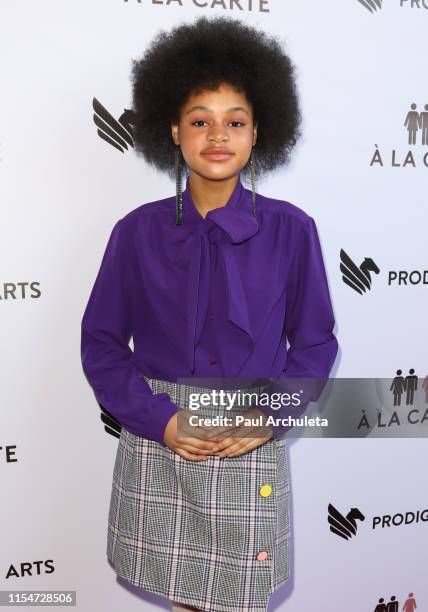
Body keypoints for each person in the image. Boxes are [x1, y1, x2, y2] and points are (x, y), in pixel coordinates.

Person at [80, 15, 338, 612]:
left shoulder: (294, 231)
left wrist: (265, 418)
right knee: (183, 604)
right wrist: (160, 419)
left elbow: (315, 346)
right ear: (173, 130)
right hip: (160, 440)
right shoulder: (135, 233)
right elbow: (101, 344)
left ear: (257, 134)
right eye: (200, 121)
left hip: (248, 440)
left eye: (234, 122)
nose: (217, 136)